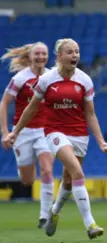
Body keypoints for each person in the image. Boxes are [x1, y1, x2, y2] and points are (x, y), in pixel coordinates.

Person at [1, 38, 107, 239]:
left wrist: (101, 141)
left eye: (77, 52)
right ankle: (90, 224)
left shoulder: (85, 80)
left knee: (69, 180)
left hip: (79, 134)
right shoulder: (46, 80)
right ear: (60, 56)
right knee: (78, 173)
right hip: (54, 132)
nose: (75, 56)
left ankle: (54, 211)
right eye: (70, 52)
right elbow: (31, 108)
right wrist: (14, 132)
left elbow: (90, 114)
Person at [0, 42, 54, 229]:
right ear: (30, 57)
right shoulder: (20, 78)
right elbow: (4, 103)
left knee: (47, 169)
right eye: (37, 54)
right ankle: (22, 164)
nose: (40, 57)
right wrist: (6, 133)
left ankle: (46, 215)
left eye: (43, 54)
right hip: (23, 132)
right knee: (27, 180)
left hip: (45, 131)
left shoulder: (51, 76)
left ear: (48, 56)